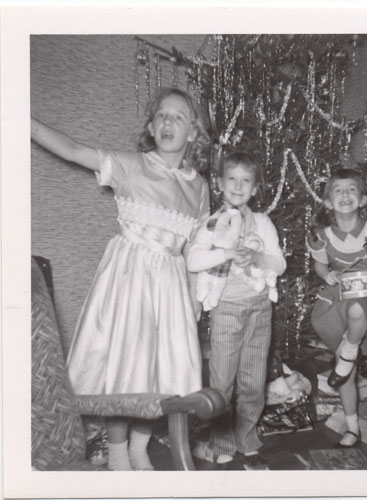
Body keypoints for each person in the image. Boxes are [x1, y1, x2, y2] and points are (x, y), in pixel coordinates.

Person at [31, 87, 211, 470]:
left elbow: (198, 250)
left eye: (178, 117)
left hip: (171, 287)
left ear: (193, 132)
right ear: (150, 125)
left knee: (162, 368)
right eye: (161, 115)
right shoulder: (132, 165)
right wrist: (19, 120)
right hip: (129, 280)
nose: (168, 122)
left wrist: (195, 302)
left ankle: (139, 447)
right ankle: (117, 453)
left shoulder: (199, 186)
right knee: (126, 365)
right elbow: (72, 149)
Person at [186, 151, 286, 468]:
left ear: (255, 188)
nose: (239, 186)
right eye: (232, 179)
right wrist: (227, 253)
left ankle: (246, 433)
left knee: (253, 380)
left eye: (246, 180)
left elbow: (279, 264)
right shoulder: (211, 224)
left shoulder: (263, 223)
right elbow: (193, 260)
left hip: (259, 308)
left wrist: (256, 258)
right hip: (227, 309)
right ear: (219, 184)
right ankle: (222, 439)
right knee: (222, 380)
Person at [308, 167, 367, 448]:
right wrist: (326, 275)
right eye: (338, 191)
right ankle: (352, 428)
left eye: (351, 189)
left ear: (362, 200)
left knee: (358, 310)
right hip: (338, 299)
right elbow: (320, 264)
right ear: (328, 203)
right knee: (344, 371)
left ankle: (350, 351)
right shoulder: (322, 236)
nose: (345, 195)